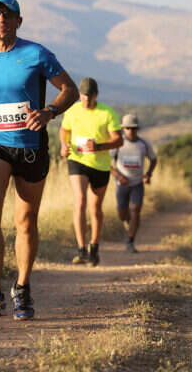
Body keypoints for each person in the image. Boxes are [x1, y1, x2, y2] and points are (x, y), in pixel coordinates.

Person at [0, 0, 79, 321]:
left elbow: (70, 89)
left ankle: (22, 288)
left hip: (30, 147)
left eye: (7, 14)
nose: (1, 19)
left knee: (25, 220)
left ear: (18, 21)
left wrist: (49, 112)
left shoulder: (36, 54)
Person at [59, 77, 123, 266]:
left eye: (89, 96)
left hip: (100, 165)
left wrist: (99, 146)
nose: (86, 99)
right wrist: (63, 145)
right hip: (77, 160)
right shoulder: (72, 110)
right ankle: (81, 249)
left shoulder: (107, 113)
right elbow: (64, 130)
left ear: (96, 95)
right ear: (79, 94)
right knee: (80, 201)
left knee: (95, 208)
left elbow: (119, 140)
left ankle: (94, 247)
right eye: (83, 95)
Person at [110, 114, 157, 253]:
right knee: (122, 213)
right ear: (123, 129)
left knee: (136, 210)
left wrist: (148, 174)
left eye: (133, 128)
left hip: (137, 183)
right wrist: (119, 176)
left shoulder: (144, 144)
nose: (131, 131)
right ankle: (127, 221)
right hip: (122, 184)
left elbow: (153, 159)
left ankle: (130, 241)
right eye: (128, 128)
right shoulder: (118, 144)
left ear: (137, 129)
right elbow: (107, 163)